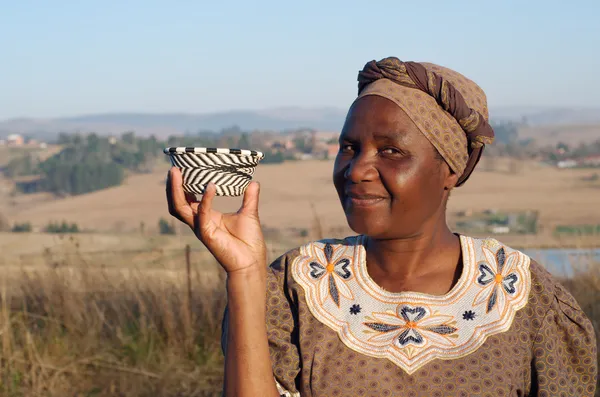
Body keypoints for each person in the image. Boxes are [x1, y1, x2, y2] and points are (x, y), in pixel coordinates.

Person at [167, 57, 598, 397]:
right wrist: (244, 275)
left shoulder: (521, 296)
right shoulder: (295, 287)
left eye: (391, 151)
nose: (357, 170)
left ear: (450, 170)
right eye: (349, 148)